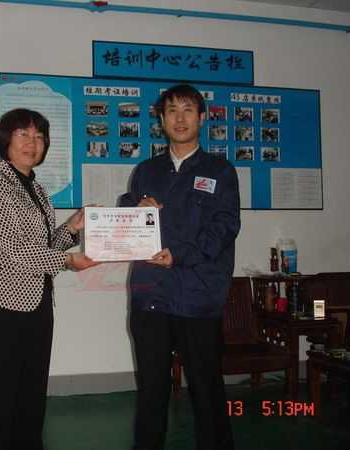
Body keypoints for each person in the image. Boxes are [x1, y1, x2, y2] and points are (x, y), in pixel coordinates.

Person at [0, 108, 97, 450]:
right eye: (23, 134)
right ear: (5, 140)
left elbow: (41, 248)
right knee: (3, 400)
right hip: (3, 307)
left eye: (39, 136)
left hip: (37, 305)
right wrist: (68, 261)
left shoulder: (35, 188)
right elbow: (15, 250)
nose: (32, 143)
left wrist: (73, 227)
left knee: (32, 397)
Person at [120, 84, 241, 450]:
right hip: (150, 297)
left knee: (207, 390)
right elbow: (125, 215)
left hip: (198, 298)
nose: (180, 118)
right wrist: (134, 207)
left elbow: (225, 227)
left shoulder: (220, 170)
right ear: (161, 119)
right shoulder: (146, 171)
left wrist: (180, 254)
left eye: (188, 110)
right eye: (171, 111)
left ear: (202, 118)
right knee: (151, 392)